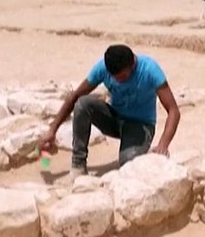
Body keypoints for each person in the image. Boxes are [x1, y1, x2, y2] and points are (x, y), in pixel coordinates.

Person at [39, 44, 181, 174]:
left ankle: (142, 151)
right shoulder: (102, 68)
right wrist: (52, 130)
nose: (118, 81)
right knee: (83, 104)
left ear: (133, 65)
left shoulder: (150, 69)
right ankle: (78, 165)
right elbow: (75, 96)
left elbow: (173, 110)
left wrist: (163, 144)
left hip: (140, 125)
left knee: (128, 163)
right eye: (115, 78)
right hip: (115, 119)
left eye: (123, 77)